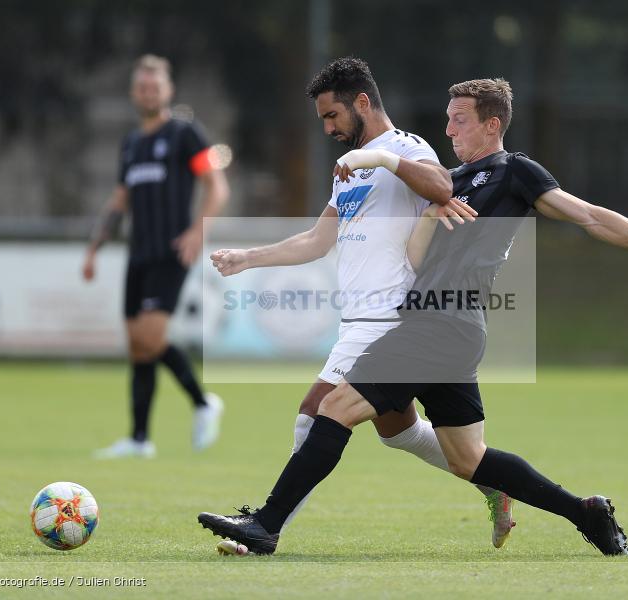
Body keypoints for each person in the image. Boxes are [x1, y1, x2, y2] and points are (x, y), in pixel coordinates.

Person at [198, 78, 628, 556]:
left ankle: (264, 526)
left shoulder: (514, 170)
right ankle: (586, 513)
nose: (448, 129)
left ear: (493, 124)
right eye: (446, 119)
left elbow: (590, 216)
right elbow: (420, 260)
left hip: (438, 324)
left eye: (460, 119)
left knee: (333, 408)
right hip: (446, 327)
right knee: (469, 459)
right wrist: (428, 215)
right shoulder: (452, 182)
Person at [209, 57, 514, 546]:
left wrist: (381, 160)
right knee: (400, 433)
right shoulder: (347, 169)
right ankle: (494, 482)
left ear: (363, 102)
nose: (328, 128)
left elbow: (443, 187)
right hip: (359, 320)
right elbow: (316, 240)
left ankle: (263, 528)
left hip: (391, 317)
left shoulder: (406, 147)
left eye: (332, 116)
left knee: (314, 412)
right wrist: (249, 258)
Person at [84, 54, 229, 458]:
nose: (148, 92)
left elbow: (217, 186)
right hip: (138, 253)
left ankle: (204, 404)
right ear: (134, 92)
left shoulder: (185, 134)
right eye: (142, 86)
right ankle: (139, 439)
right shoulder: (131, 143)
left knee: (151, 337)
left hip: (171, 251)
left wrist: (198, 231)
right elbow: (119, 198)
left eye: (155, 86)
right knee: (137, 345)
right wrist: (95, 246)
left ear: (168, 91)